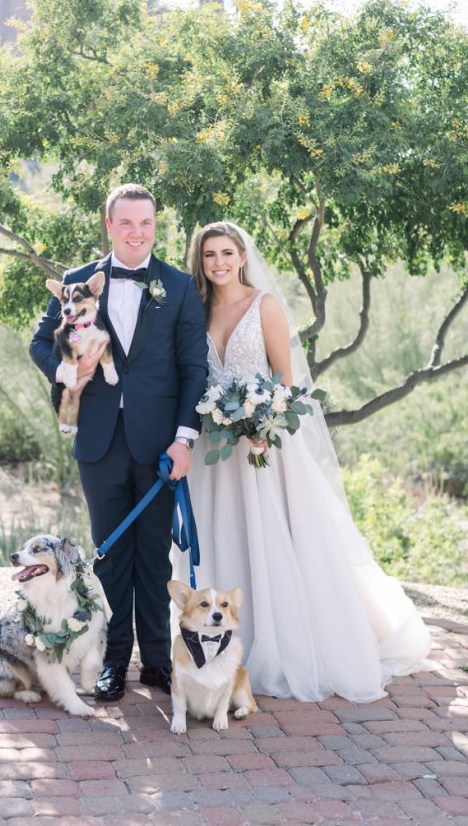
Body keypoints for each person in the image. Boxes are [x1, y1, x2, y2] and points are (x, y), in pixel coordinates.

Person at [181, 220, 434, 703]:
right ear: (201, 260)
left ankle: (292, 644)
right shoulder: (196, 313)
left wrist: (261, 427)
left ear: (241, 256)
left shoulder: (265, 306)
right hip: (216, 454)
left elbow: (284, 378)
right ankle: (229, 645)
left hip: (265, 449)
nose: (218, 263)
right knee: (225, 535)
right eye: (210, 255)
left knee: (282, 539)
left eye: (227, 253)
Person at [30, 184, 208, 702]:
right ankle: (112, 664)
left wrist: (184, 440)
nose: (136, 232)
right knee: (110, 558)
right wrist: (70, 370)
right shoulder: (76, 281)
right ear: (109, 226)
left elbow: (193, 368)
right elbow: (39, 344)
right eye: (126, 223)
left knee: (154, 557)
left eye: (146, 223)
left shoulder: (177, 287)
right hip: (99, 441)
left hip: (159, 447)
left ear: (156, 226)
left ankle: (157, 663)